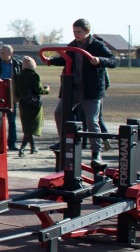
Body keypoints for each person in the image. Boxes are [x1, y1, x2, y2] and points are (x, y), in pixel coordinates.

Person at [47, 19, 117, 163]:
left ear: (87, 31)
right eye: (74, 32)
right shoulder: (73, 45)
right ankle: (64, 141)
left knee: (91, 121)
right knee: (59, 113)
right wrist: (51, 60)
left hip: (90, 90)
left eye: (79, 32)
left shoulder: (97, 45)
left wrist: (99, 60)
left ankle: (96, 152)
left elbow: (113, 60)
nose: (76, 34)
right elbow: (66, 59)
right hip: (73, 88)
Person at [0, 44, 22, 152]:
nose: (1, 55)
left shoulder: (17, 64)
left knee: (12, 121)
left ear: (10, 53)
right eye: (1, 53)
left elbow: (20, 79)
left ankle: (12, 143)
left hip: (11, 96)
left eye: (4, 53)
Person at [15, 56, 48, 155]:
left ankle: (33, 147)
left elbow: (17, 93)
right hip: (33, 105)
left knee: (27, 127)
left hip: (23, 104)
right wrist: (46, 89)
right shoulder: (34, 76)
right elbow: (39, 90)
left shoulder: (19, 76)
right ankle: (22, 148)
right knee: (30, 128)